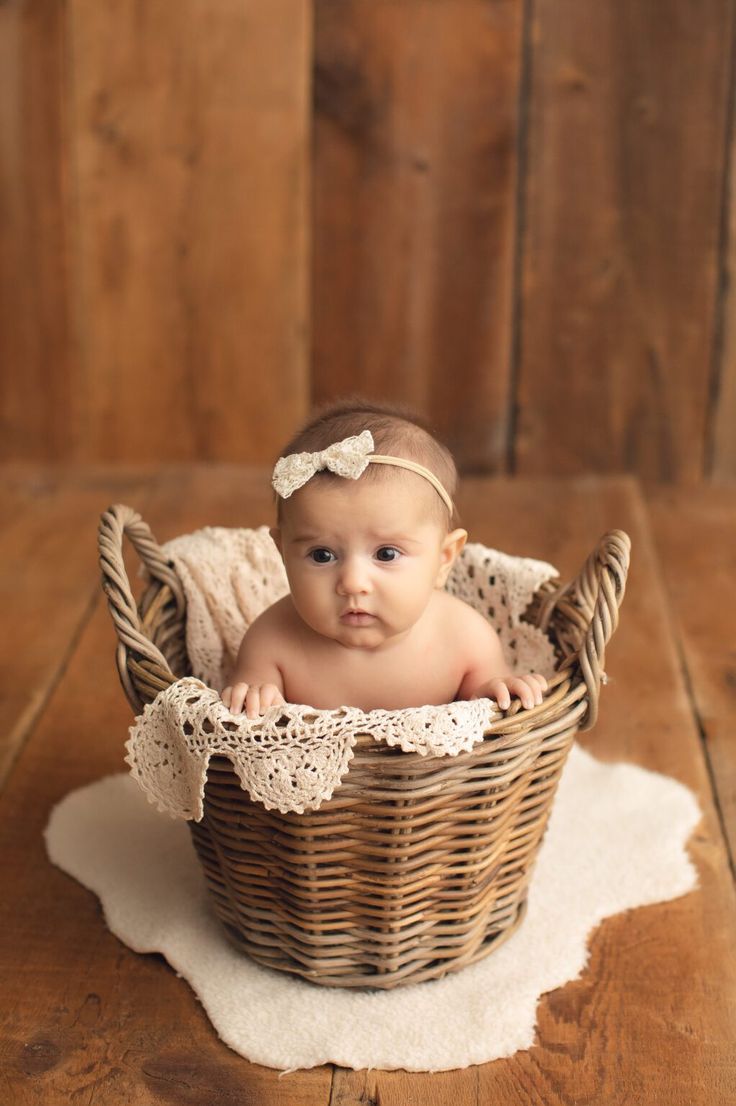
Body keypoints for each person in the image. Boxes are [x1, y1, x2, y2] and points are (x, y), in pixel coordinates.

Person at [221, 398, 547, 718]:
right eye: (322, 555)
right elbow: (243, 705)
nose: (353, 583)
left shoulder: (464, 637)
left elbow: (491, 700)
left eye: (386, 554)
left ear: (444, 559)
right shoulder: (272, 641)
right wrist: (253, 693)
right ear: (282, 554)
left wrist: (499, 689)